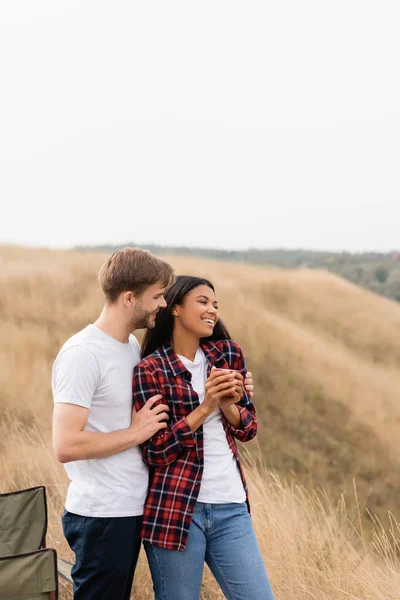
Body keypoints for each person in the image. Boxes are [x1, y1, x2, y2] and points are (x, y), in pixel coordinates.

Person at [52, 249, 255, 600]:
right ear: (130, 298)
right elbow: (65, 446)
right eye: (158, 296)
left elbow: (238, 420)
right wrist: (137, 433)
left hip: (134, 507)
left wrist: (234, 397)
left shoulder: (130, 347)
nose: (162, 303)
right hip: (101, 512)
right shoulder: (83, 353)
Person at [132, 275, 275, 600]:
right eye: (203, 302)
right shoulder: (151, 370)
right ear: (177, 308)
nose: (212, 310)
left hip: (231, 507)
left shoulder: (228, 356)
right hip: (175, 509)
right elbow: (155, 450)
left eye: (215, 305)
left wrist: (228, 407)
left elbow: (248, 428)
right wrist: (206, 405)